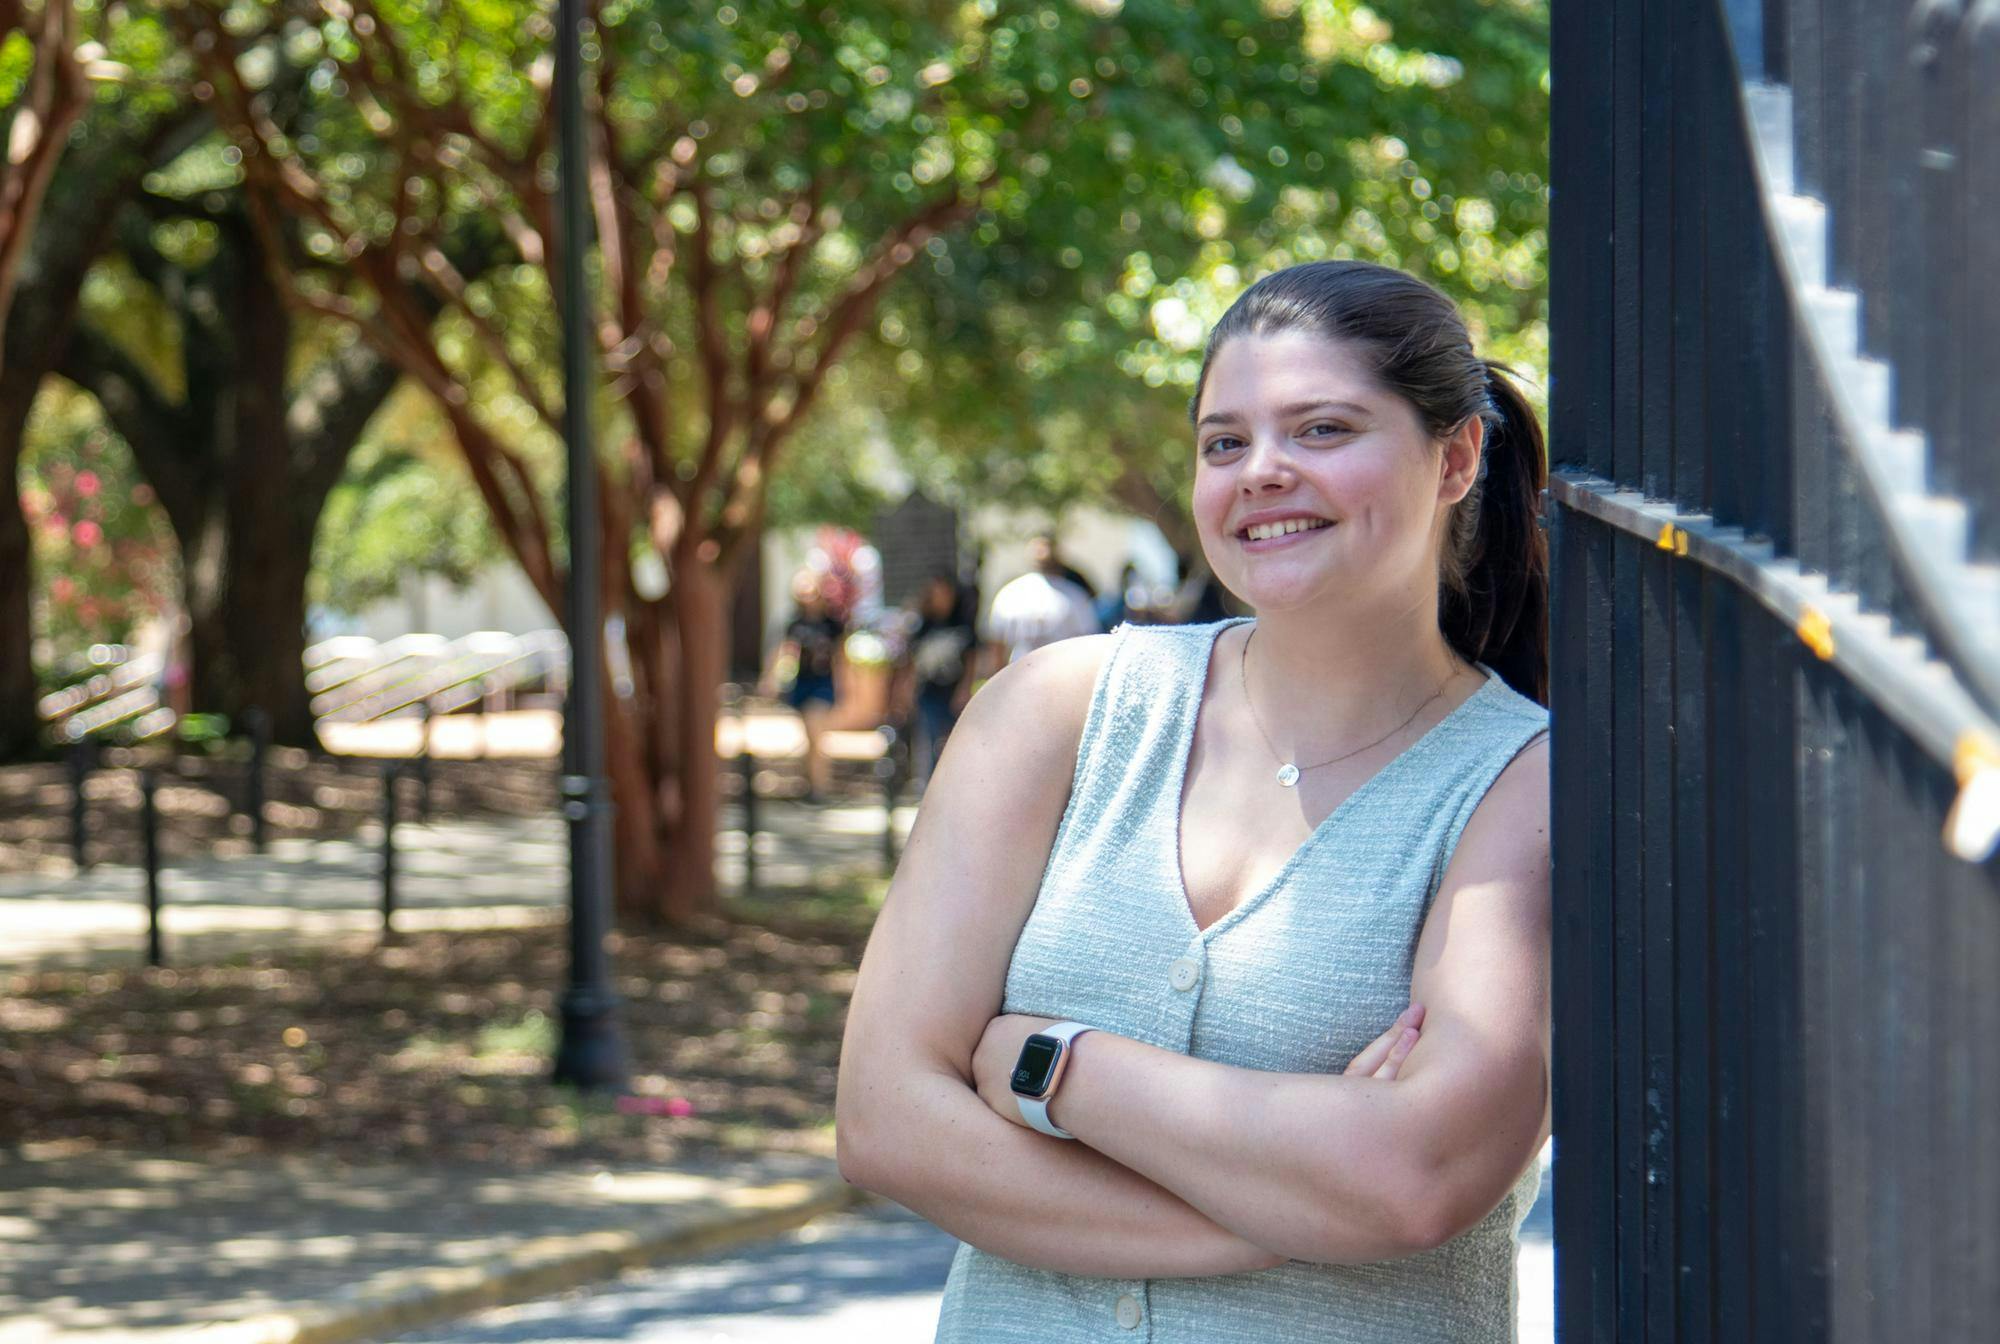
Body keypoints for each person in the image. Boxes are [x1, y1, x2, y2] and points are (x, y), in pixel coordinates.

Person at [836, 259, 1551, 1342]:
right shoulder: (1052, 716)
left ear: (1453, 458)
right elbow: (886, 1120)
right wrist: (1289, 1208)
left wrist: (1052, 1064)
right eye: (1224, 442)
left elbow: (1414, 1177)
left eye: (1320, 429)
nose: (1260, 471)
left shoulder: (1525, 780)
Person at [763, 572, 846, 802]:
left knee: (816, 730)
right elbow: (784, 651)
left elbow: (841, 658)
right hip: (803, 682)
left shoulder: (832, 625)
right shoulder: (795, 623)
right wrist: (770, 678)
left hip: (823, 683)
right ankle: (813, 784)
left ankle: (820, 788)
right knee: (810, 737)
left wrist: (845, 686)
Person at [900, 574, 979, 787]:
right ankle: (929, 787)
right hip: (929, 692)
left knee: (955, 741)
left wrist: (965, 689)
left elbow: (971, 659)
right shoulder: (922, 625)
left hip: (953, 691)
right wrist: (906, 690)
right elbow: (912, 661)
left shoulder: (963, 625)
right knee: (929, 740)